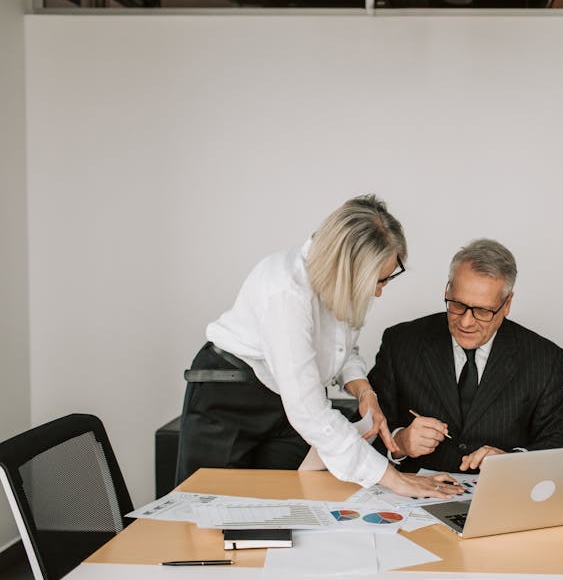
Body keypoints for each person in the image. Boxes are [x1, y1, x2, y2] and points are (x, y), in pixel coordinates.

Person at [176, 194, 463, 498]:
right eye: (377, 281)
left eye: (386, 279)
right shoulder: (286, 294)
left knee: (286, 505)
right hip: (230, 398)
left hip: (284, 404)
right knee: (210, 511)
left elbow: (341, 349)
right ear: (347, 271)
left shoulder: (342, 284)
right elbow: (309, 411)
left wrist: (364, 391)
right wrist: (394, 478)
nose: (379, 292)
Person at [368, 238, 563, 473]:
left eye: (482, 311)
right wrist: (399, 443)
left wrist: (512, 461)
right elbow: (361, 432)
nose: (466, 322)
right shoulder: (401, 342)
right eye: (457, 305)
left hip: (500, 498)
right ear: (447, 290)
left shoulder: (543, 358)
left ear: (507, 304)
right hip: (412, 497)